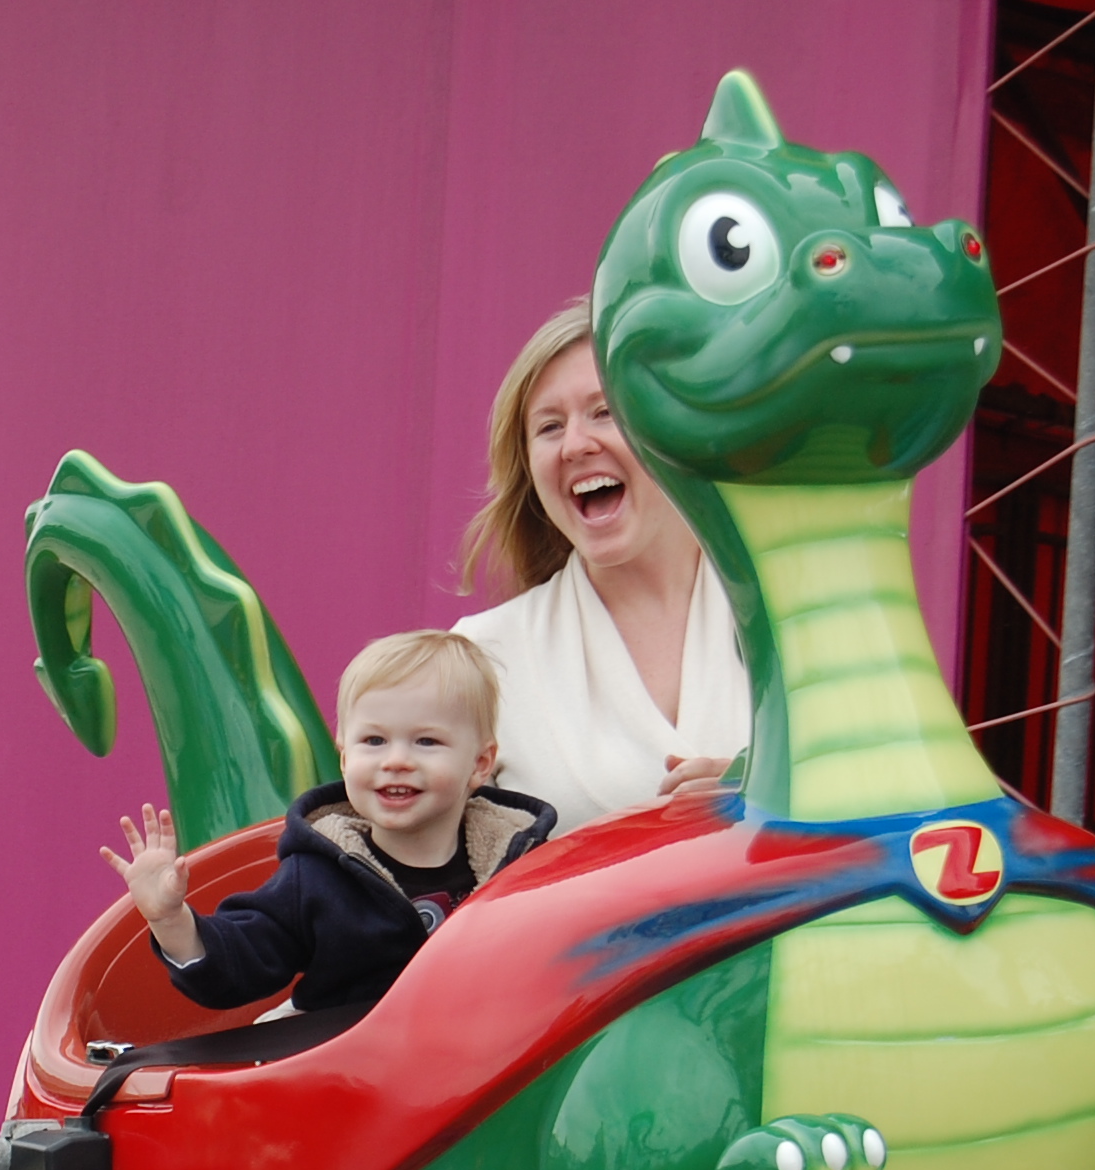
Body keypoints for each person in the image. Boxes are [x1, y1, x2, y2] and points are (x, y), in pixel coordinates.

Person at [102, 630, 553, 1015]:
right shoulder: (316, 877)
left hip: (484, 1065)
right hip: (349, 1071)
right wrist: (170, 920)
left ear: (479, 764)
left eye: (426, 742)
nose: (396, 760)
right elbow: (240, 964)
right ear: (344, 758)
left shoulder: (518, 864)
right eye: (374, 740)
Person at [451, 299, 752, 828]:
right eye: (549, 427)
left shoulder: (798, 617)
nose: (574, 445)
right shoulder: (482, 657)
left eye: (606, 411)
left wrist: (769, 794)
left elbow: (895, 808)